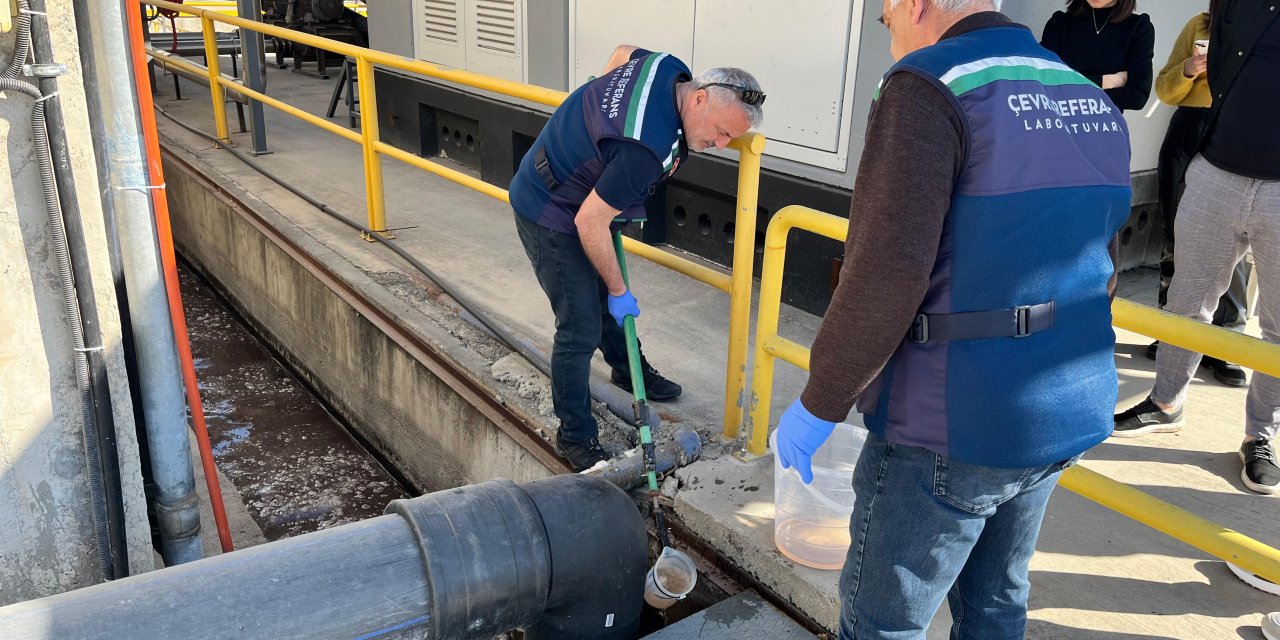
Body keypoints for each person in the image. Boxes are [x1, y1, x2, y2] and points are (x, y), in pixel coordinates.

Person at [770, 0, 1131, 637]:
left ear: (915, 4)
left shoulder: (928, 86)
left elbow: (885, 269)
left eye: (885, 23)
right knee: (995, 604)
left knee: (886, 621)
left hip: (950, 423)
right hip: (1062, 406)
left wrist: (821, 402)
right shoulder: (1081, 94)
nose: (890, 42)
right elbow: (1105, 259)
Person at [509, 46, 763, 471]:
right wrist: (619, 288)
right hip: (550, 209)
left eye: (729, 140)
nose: (720, 145)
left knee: (600, 299)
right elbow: (590, 223)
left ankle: (628, 370)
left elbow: (622, 52)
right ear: (699, 98)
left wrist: (598, 133)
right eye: (720, 131)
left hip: (583, 195)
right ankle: (575, 437)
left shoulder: (668, 68)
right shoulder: (646, 150)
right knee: (580, 325)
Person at [1113, 0, 1280, 495]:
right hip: (1216, 172)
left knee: (1278, 325)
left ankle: (1260, 435)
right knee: (1186, 302)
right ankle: (1166, 402)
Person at [1146, 0, 1249, 387]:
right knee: (1177, 231)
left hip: (1236, 133)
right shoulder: (1199, 24)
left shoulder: (1264, 31)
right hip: (1188, 128)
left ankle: (1225, 344)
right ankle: (1169, 328)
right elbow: (1165, 88)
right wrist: (1189, 70)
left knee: (1235, 240)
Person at [1040, 0, 1155, 112]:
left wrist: (1069, 89)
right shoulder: (1060, 23)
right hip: (1056, 125)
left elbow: (1137, 97)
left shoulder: (1138, 27)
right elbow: (1043, 84)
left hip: (1103, 127)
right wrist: (1105, 82)